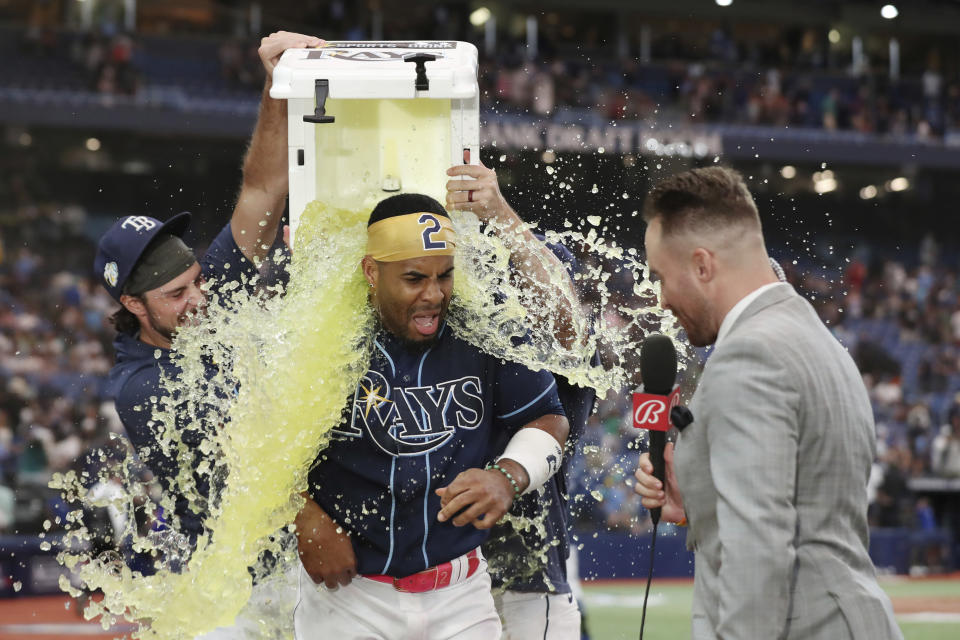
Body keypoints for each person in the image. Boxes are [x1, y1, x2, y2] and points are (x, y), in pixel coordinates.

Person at [94, 30, 323, 638]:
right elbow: (256, 458)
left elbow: (263, 190)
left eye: (198, 280)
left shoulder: (201, 297)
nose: (199, 300)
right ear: (131, 305)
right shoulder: (138, 387)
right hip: (241, 597)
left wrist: (276, 86)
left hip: (301, 571)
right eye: (176, 295)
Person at [632, 166, 902, 640]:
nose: (660, 300)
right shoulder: (813, 336)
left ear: (702, 265)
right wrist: (698, 496)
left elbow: (758, 551)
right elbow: (804, 501)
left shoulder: (749, 354)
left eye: (661, 277)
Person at [292, 192, 570, 640]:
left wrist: (507, 476)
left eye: (445, 276)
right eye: (414, 278)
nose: (434, 294)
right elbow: (250, 441)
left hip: (460, 593)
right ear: (371, 272)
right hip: (348, 597)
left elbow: (549, 417)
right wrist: (304, 515)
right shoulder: (320, 335)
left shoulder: (484, 326)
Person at [445, 163, 593, 639]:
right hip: (428, 571)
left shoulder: (532, 284)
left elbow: (566, 332)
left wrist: (501, 217)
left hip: (526, 574)